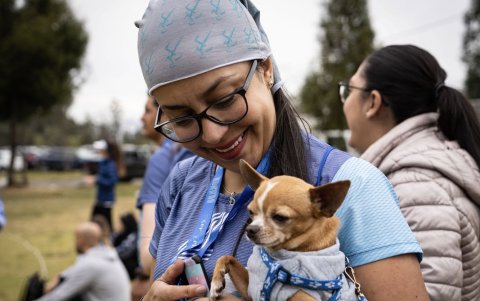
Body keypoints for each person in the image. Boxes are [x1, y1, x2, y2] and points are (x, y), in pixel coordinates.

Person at [135, 1, 429, 300]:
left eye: (225, 100)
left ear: (266, 69)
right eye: (181, 117)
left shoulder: (351, 185)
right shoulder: (182, 182)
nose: (213, 134)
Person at [340, 44, 480, 301]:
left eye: (347, 91)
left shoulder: (414, 185)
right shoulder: (426, 164)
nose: (344, 102)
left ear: (373, 102)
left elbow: (426, 293)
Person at [137, 96, 194, 274]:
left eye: (148, 111)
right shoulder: (195, 147)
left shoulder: (162, 158)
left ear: (165, 114)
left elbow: (148, 256)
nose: (141, 117)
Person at [34, 222, 131, 301]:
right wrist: (60, 277)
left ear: (81, 241)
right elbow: (72, 272)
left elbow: (59, 296)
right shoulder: (105, 255)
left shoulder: (91, 264)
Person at [90, 139, 125, 232]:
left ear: (106, 150)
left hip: (106, 201)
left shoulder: (110, 164)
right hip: (100, 199)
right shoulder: (103, 162)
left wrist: (97, 180)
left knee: (106, 226)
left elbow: (112, 181)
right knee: (95, 223)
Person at [112, 212, 139, 280]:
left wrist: (108, 253)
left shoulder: (133, 236)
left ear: (126, 224)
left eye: (120, 223)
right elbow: (109, 242)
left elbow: (124, 251)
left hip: (130, 266)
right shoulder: (118, 234)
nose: (118, 225)